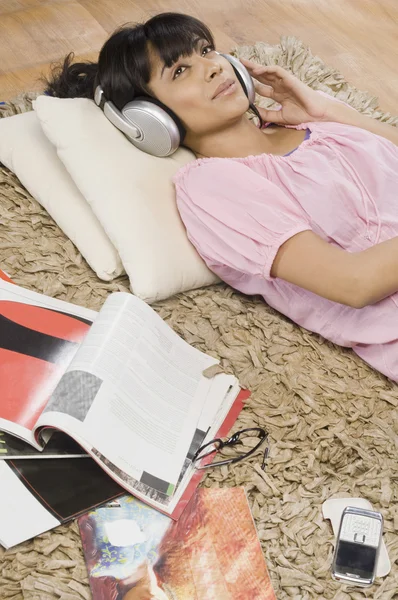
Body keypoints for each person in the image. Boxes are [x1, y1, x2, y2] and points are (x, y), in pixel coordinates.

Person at [44, 12, 398, 382]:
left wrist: (329, 112)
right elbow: (355, 283)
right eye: (179, 71)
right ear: (149, 119)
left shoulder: (315, 124)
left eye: (206, 50)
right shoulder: (212, 186)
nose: (212, 67)